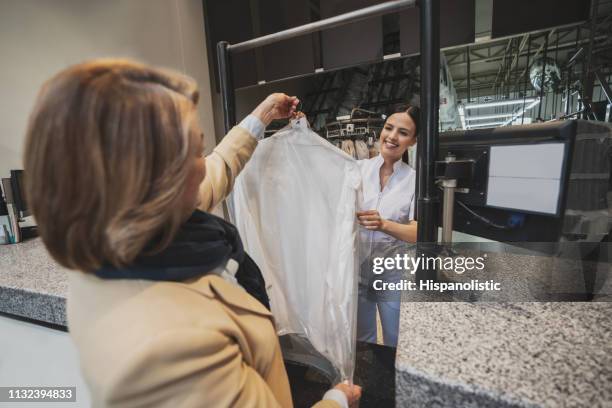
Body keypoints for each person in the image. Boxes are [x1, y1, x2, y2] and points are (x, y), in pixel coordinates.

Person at [23, 59, 361, 408]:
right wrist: (336, 401)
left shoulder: (128, 230)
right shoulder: (170, 349)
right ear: (160, 181)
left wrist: (261, 117)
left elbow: (220, 167)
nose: (204, 164)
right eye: (195, 150)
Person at [355, 105, 419, 347]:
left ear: (412, 141)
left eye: (403, 133)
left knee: (395, 339)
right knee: (362, 340)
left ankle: (395, 382)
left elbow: (417, 232)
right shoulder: (358, 170)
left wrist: (383, 225)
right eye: (389, 128)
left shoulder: (414, 180)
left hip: (392, 274)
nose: (392, 137)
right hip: (358, 271)